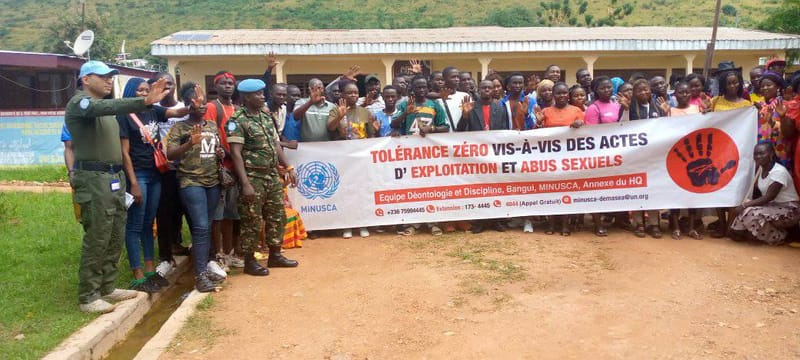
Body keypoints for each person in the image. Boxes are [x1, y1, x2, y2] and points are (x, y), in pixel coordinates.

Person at [66, 60, 169, 313]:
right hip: (94, 178)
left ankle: (107, 286)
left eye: (111, 76)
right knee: (98, 236)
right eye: (102, 76)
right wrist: (142, 102)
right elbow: (102, 107)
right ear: (85, 79)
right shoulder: (81, 103)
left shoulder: (106, 109)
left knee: (114, 234)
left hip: (114, 178)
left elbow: (109, 108)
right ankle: (88, 295)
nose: (109, 80)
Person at [118, 78, 187, 293]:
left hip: (156, 173)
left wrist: (196, 104)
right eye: (139, 90)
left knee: (149, 223)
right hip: (139, 174)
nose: (143, 93)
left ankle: (150, 270)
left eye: (146, 90)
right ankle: (137, 275)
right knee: (135, 225)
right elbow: (124, 153)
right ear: (130, 92)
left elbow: (176, 113)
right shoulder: (124, 115)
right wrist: (134, 183)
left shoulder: (152, 110)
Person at [227, 79, 299, 276]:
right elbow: (235, 153)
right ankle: (250, 260)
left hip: (271, 174)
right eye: (257, 94)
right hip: (252, 177)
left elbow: (276, 144)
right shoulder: (237, 120)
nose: (262, 96)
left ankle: (275, 255)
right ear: (246, 97)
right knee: (252, 219)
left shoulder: (265, 118)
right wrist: (245, 183)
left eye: (262, 93)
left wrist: (288, 166)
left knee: (277, 215)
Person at [166, 82, 226, 292]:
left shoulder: (210, 125)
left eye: (203, 102)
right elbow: (170, 154)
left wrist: (220, 154)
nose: (202, 106)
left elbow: (215, 150)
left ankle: (205, 268)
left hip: (213, 182)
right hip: (191, 182)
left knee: (207, 226)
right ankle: (200, 275)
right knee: (200, 227)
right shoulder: (179, 127)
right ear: (188, 103)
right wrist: (189, 143)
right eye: (197, 102)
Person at [203, 71, 245, 271]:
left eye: (231, 83)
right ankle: (217, 255)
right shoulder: (212, 107)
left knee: (233, 214)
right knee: (217, 216)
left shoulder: (236, 109)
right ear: (216, 86)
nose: (228, 86)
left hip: (237, 169)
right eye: (224, 83)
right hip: (220, 169)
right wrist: (228, 153)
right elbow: (209, 134)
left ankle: (230, 254)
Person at [457, 79, 510, 233]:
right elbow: (460, 131)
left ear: (495, 90)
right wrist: (465, 116)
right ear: (479, 90)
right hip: (477, 155)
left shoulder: (500, 109)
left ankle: (496, 220)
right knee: (480, 188)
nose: (487, 90)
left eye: (490, 88)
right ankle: (480, 221)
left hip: (495, 154)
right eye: (484, 87)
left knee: (496, 187)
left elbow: (505, 132)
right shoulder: (471, 108)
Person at [152, 72, 191, 278]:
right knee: (165, 213)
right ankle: (165, 256)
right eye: (163, 84)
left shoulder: (183, 111)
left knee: (185, 210)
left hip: (185, 168)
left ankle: (183, 247)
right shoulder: (151, 110)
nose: (167, 87)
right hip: (162, 169)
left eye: (170, 84)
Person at [534, 82, 585, 236]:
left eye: (564, 93)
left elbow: (586, 132)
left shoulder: (577, 110)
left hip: (570, 159)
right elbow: (538, 134)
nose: (562, 96)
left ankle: (565, 224)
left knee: (566, 190)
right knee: (552, 190)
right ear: (553, 95)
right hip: (550, 159)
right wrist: (538, 123)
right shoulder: (546, 111)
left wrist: (580, 124)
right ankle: (551, 223)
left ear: (568, 95)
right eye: (558, 93)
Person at [329, 80, 376, 238]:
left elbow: (371, 134)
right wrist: (340, 117)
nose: (353, 95)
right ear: (342, 94)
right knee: (346, 192)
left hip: (361, 158)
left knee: (362, 191)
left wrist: (375, 129)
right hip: (343, 158)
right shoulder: (336, 110)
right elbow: (329, 128)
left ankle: (362, 223)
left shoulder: (364, 111)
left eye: (356, 92)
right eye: (349, 93)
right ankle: (347, 225)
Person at [728, 142, 800, 244]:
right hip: (773, 206)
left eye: (762, 153)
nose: (758, 156)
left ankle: (781, 237)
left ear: (771, 154)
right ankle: (751, 233)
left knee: (750, 211)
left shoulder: (778, 172)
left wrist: (745, 205)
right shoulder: (762, 169)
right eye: (756, 154)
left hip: (789, 210)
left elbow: (768, 197)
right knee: (741, 223)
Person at [622, 78, 668, 238]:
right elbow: (621, 128)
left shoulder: (658, 107)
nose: (643, 92)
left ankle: (654, 224)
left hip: (654, 157)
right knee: (637, 189)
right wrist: (626, 110)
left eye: (646, 89)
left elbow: (669, 130)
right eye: (639, 90)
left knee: (652, 189)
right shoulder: (631, 108)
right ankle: (639, 223)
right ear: (634, 93)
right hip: (636, 157)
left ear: (650, 91)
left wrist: (666, 113)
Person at [582, 76, 621, 236]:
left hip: (617, 154)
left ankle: (618, 219)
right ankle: (597, 223)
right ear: (596, 91)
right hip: (599, 155)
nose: (607, 90)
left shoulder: (618, 105)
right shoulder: (593, 108)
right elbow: (592, 134)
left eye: (609, 87)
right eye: (603, 88)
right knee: (597, 189)